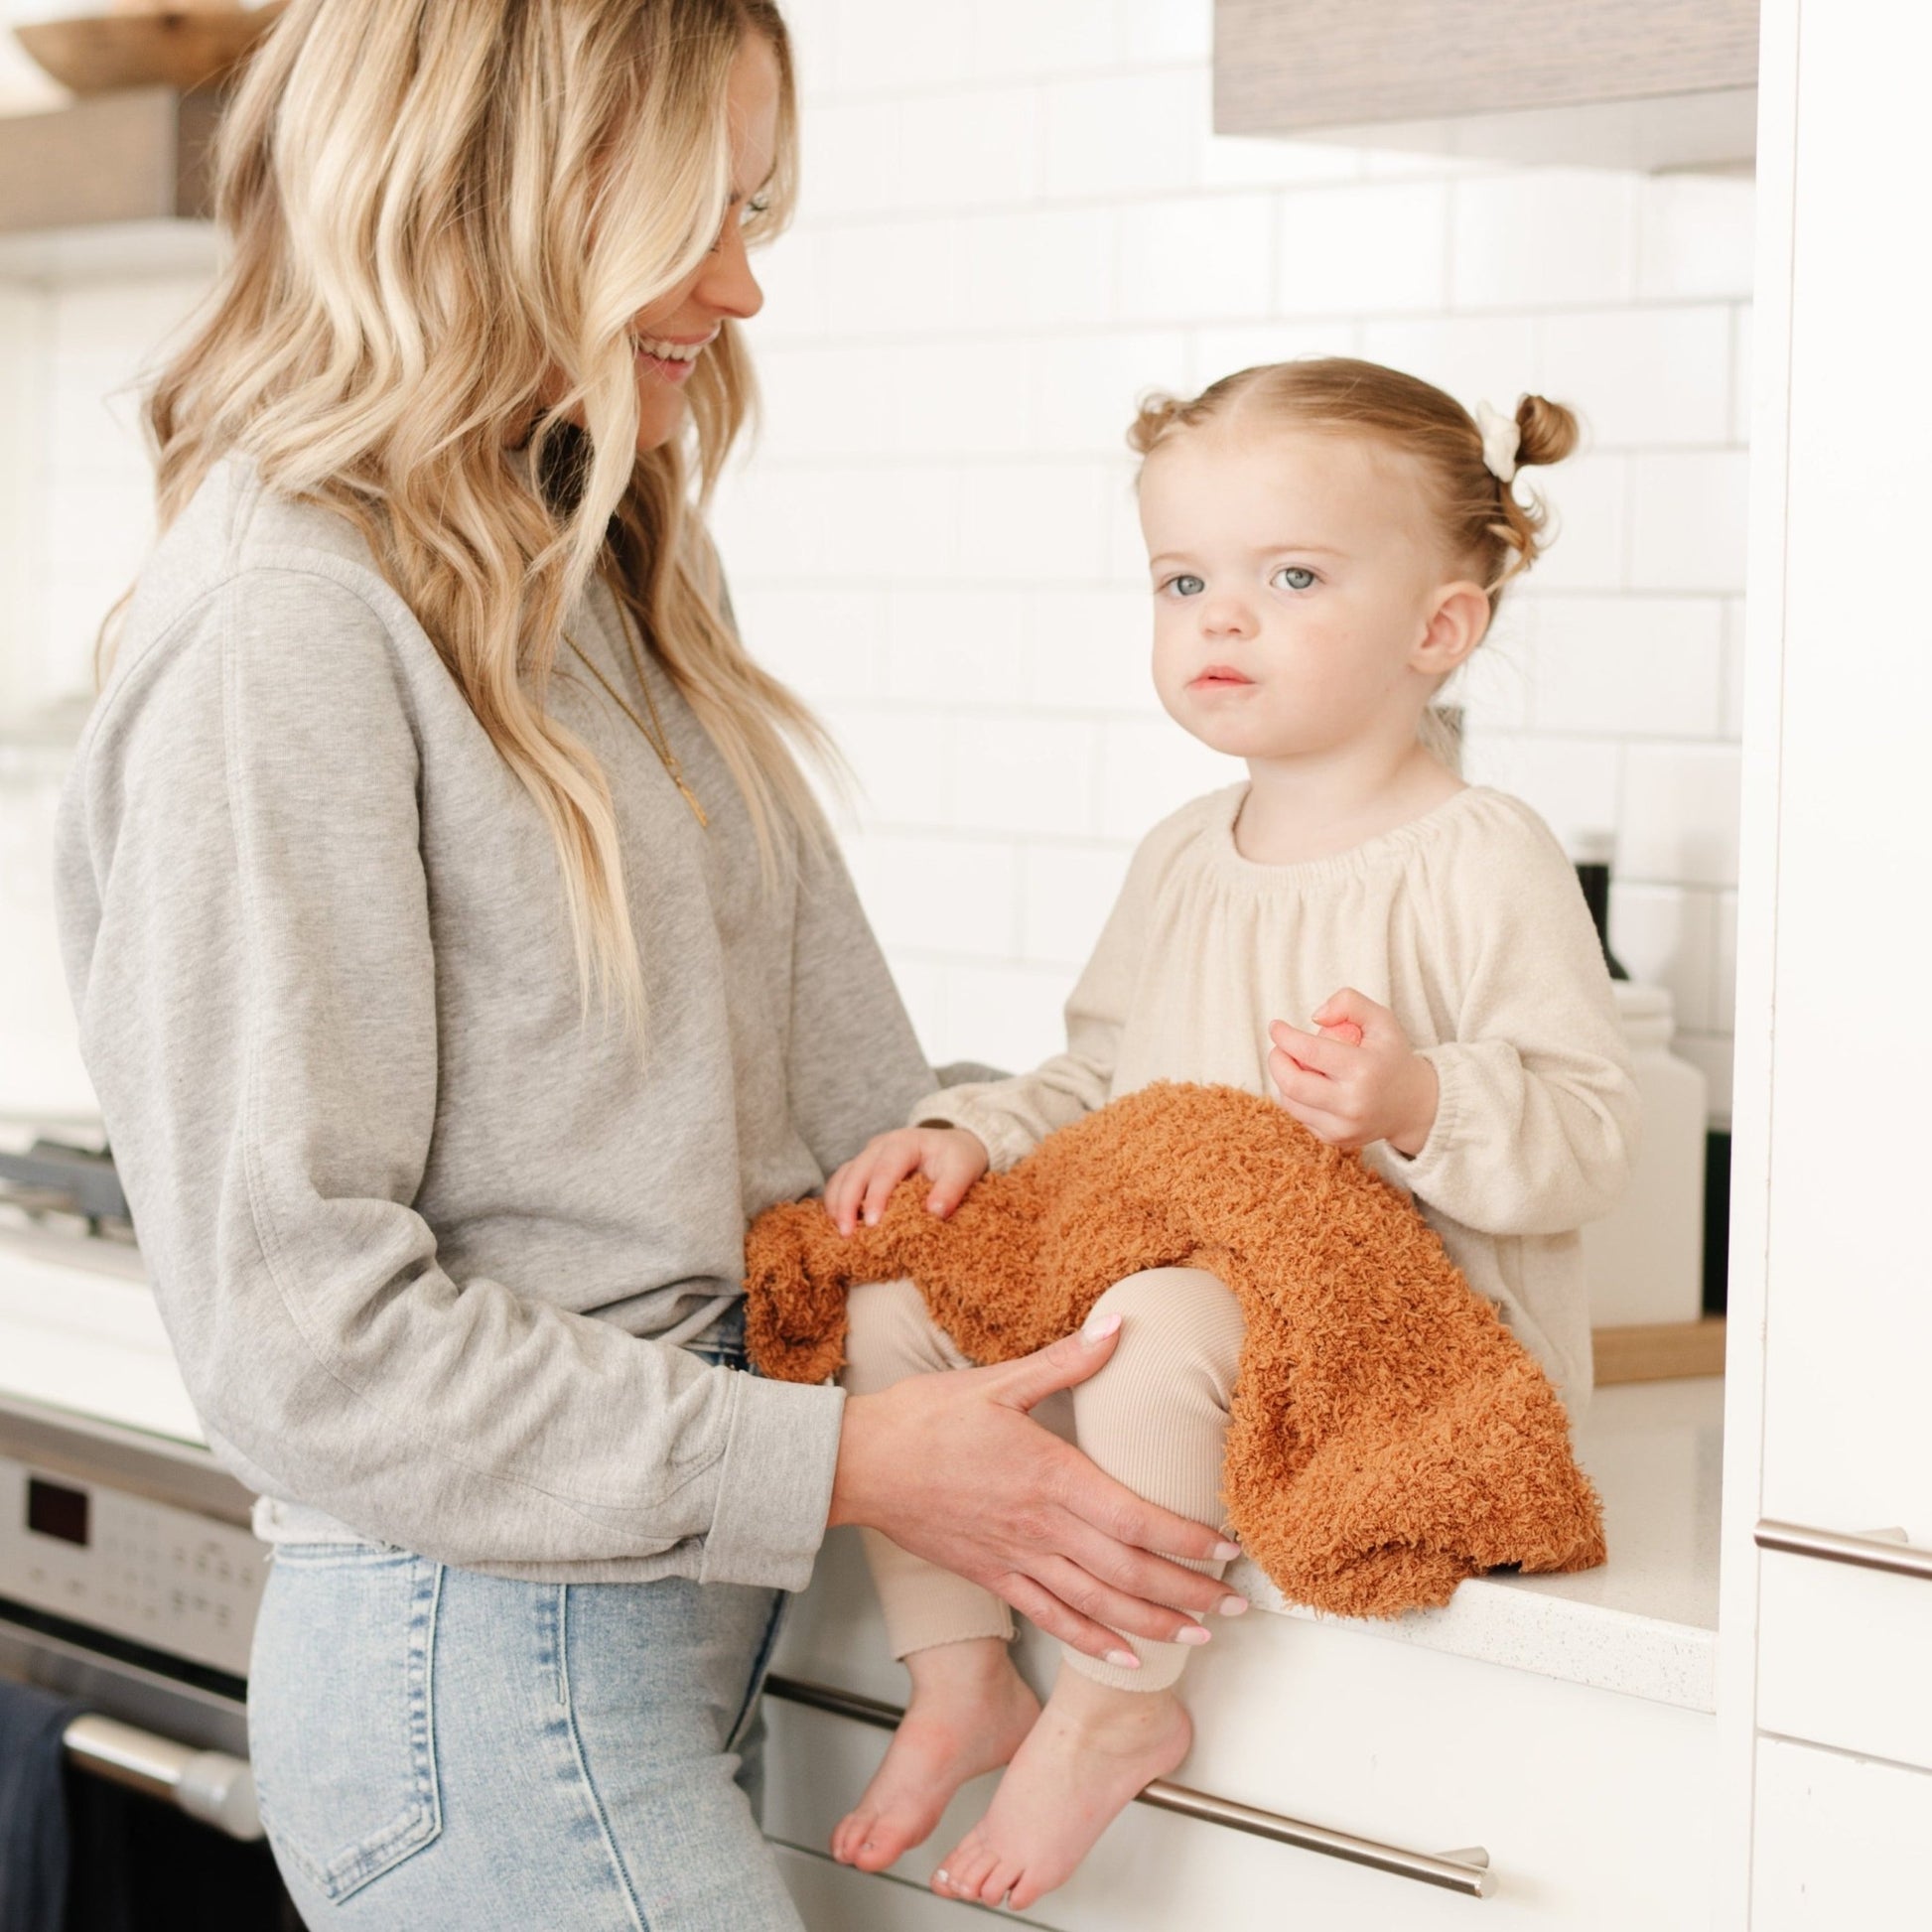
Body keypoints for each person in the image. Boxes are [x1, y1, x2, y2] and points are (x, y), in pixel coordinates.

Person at [50, 3, 1246, 1924]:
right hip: (491, 1669)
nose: (743, 282)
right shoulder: (290, 619)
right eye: (700, 209)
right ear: (495, 196)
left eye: (756, 208)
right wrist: (847, 1458)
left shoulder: (593, 561)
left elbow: (842, 1106)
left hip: (633, 1652)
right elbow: (306, 1340)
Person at [821, 356, 1643, 1913]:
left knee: (1148, 1311)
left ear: (1437, 629)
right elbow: (1100, 1084)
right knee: (890, 1293)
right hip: (1184, 1324)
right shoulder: (1184, 852)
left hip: (1398, 1349)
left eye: (1289, 576)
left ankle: (1120, 1694)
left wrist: (1415, 1105)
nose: (1219, 616)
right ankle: (956, 1676)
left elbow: (1592, 1130)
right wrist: (970, 1135)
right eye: (1182, 577)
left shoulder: (1479, 857)